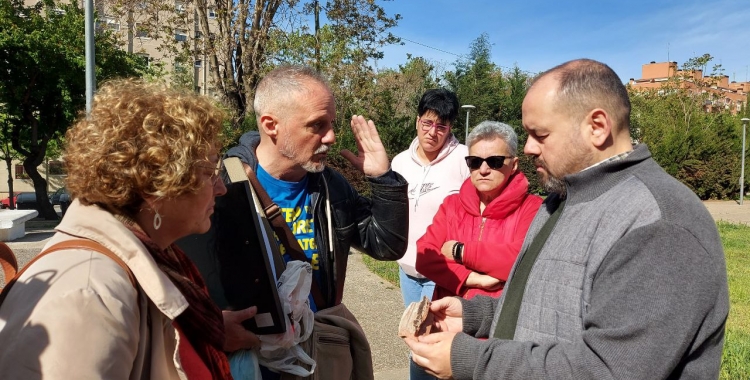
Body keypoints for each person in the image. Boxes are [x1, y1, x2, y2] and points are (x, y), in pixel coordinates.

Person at [405, 59, 729, 379]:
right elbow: (548, 303)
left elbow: (608, 369)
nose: (529, 148)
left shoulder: (659, 225)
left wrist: (472, 360)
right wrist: (476, 315)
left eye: (540, 134)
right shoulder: (561, 199)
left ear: (597, 127)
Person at [0, 79, 234, 378]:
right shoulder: (90, 296)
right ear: (157, 184)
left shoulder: (150, 264)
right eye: (210, 171)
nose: (221, 188)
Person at [221, 65, 409, 378]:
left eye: (331, 123)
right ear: (271, 125)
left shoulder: (331, 187)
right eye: (317, 125)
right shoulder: (224, 185)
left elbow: (386, 246)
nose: (332, 137)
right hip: (254, 359)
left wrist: (383, 178)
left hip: (316, 353)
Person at [415, 121, 542, 301]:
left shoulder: (532, 208)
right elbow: (424, 257)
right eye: (475, 162)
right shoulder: (452, 205)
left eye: (494, 162)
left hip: (495, 322)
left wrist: (460, 251)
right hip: (445, 318)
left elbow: (521, 262)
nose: (483, 170)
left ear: (513, 165)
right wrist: (473, 279)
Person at [391, 89, 469, 380]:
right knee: (414, 336)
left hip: (442, 270)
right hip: (408, 268)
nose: (433, 132)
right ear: (417, 121)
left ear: (450, 128)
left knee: (430, 337)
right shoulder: (400, 162)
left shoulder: (464, 159)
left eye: (442, 126)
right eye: (427, 123)